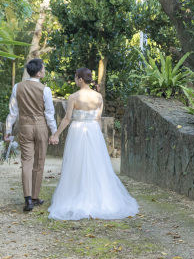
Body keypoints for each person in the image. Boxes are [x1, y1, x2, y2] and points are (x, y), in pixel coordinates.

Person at [47, 67, 138, 220]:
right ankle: (99, 196)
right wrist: (100, 139)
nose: (75, 80)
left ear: (80, 79)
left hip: (78, 131)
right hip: (94, 131)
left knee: (77, 164)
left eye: (76, 77)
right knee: (96, 165)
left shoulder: (73, 97)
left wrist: (55, 134)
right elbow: (98, 119)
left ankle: (75, 195)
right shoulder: (98, 97)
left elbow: (67, 119)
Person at [5, 58, 58, 212]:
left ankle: (28, 198)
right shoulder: (45, 90)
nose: (44, 71)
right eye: (44, 68)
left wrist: (8, 131)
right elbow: (49, 114)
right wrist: (54, 133)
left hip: (25, 127)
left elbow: (13, 113)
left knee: (26, 162)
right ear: (39, 72)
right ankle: (35, 196)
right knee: (39, 162)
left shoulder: (17, 87)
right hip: (41, 127)